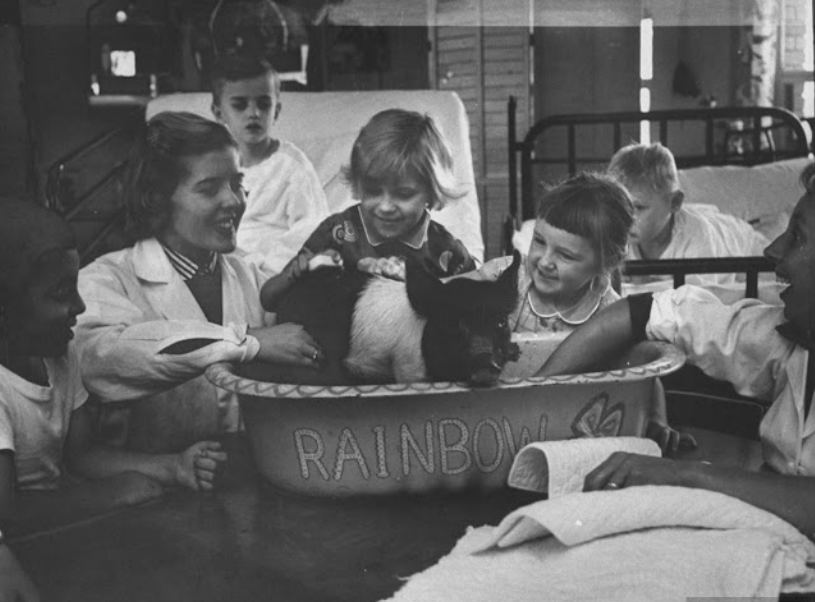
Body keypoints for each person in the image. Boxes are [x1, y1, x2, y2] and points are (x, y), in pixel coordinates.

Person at [537, 161, 815, 535]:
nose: (773, 249)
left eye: (797, 236)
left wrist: (687, 475)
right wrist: (536, 391)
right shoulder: (783, 338)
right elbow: (645, 311)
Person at [75, 112, 323, 454]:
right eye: (209, 189)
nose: (234, 201)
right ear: (156, 199)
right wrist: (246, 341)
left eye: (237, 183)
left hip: (251, 475)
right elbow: (103, 360)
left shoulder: (253, 276)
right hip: (159, 491)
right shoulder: (106, 281)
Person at [0, 199, 226, 536]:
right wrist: (112, 493)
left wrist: (173, 467)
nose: (79, 306)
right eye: (61, 293)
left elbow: (83, 455)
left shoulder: (60, 356)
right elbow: (9, 515)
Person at [260, 108, 476, 310]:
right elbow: (269, 299)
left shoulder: (443, 249)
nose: (385, 207)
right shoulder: (338, 231)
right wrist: (297, 273)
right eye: (373, 191)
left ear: (432, 192)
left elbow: (477, 301)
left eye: (403, 194)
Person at [210, 55, 329, 274]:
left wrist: (265, 267)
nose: (254, 113)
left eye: (264, 104)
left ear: (276, 111)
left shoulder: (291, 165)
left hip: (274, 271)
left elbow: (311, 228)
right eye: (240, 105)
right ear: (219, 113)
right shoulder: (212, 166)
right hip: (224, 266)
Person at [608, 142, 768, 287]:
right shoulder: (617, 235)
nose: (624, 218)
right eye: (618, 206)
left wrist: (644, 281)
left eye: (639, 208)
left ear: (674, 203)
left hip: (741, 241)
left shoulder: (698, 238)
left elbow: (700, 298)